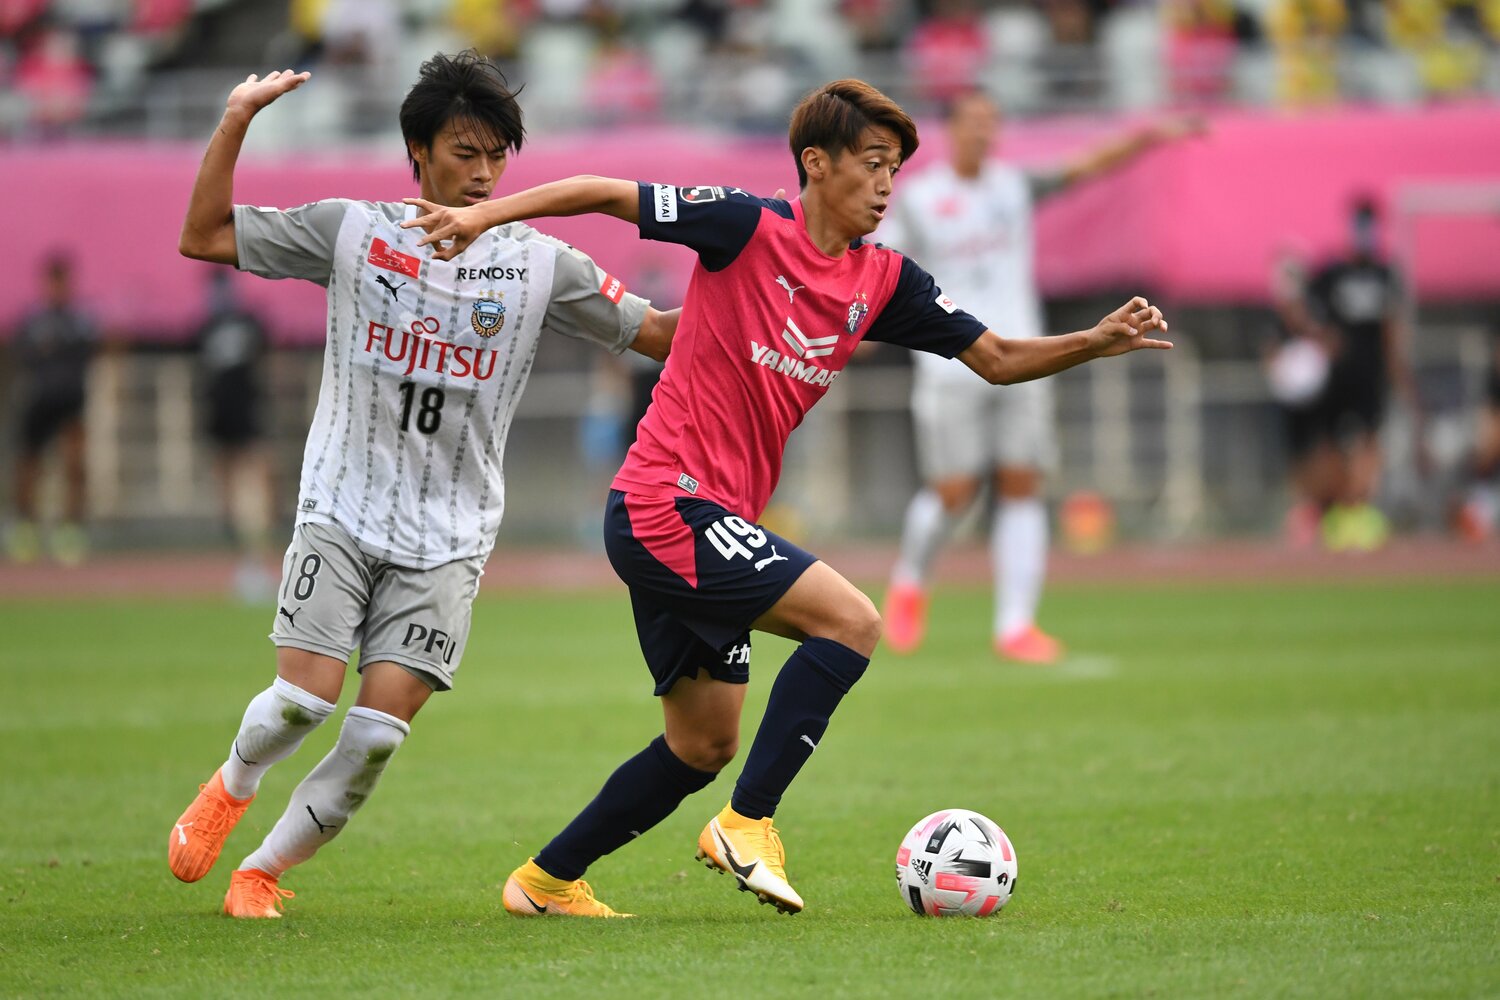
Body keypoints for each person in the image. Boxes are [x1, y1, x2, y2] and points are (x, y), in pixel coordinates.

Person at [402, 77, 1170, 917]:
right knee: (852, 621)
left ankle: (544, 881)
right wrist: (484, 216)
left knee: (701, 745)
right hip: (665, 503)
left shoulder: (884, 279)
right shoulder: (745, 226)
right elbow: (602, 192)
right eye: (872, 163)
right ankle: (747, 823)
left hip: (711, 518)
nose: (885, 184)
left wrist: (1092, 341)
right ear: (817, 162)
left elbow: (996, 358)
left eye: (895, 169)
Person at [167, 51, 680, 919]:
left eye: (496, 157)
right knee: (300, 704)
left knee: (374, 738)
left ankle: (260, 873)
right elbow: (205, 235)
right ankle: (233, 783)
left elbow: (658, 334)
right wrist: (237, 120)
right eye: (463, 153)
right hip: (342, 507)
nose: (482, 174)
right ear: (419, 150)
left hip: (450, 535)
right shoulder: (352, 233)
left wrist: (771, 287)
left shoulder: (539, 263)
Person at [878, 90, 1198, 664]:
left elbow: (1085, 166)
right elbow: (881, 270)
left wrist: (1147, 136)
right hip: (950, 361)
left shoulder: (1013, 186)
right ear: (950, 129)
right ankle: (909, 582)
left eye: (991, 121)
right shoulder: (921, 200)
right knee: (954, 492)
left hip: (1024, 353)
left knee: (1022, 483)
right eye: (973, 121)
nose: (984, 131)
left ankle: (1016, 625)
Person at [1304, 195, 1420, 551]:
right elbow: (1304, 311)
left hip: (1372, 375)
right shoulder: (1332, 273)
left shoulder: (1385, 275)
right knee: (1330, 445)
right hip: (1338, 376)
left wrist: (1401, 378)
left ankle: (1358, 513)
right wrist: (1323, 338)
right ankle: (1337, 512)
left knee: (1370, 443)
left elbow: (1391, 331)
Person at [6, 254, 98, 567]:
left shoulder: (80, 321)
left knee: (74, 465)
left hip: (71, 400)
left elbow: (90, 353)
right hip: (39, 400)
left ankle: (70, 530)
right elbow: (21, 355)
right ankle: (26, 527)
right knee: (29, 465)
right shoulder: (33, 322)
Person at [193, 267, 277, 601]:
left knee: (256, 481)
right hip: (221, 415)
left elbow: (265, 359)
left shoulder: (249, 323)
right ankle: (240, 554)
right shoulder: (206, 327)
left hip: (248, 413)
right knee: (227, 484)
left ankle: (258, 554)